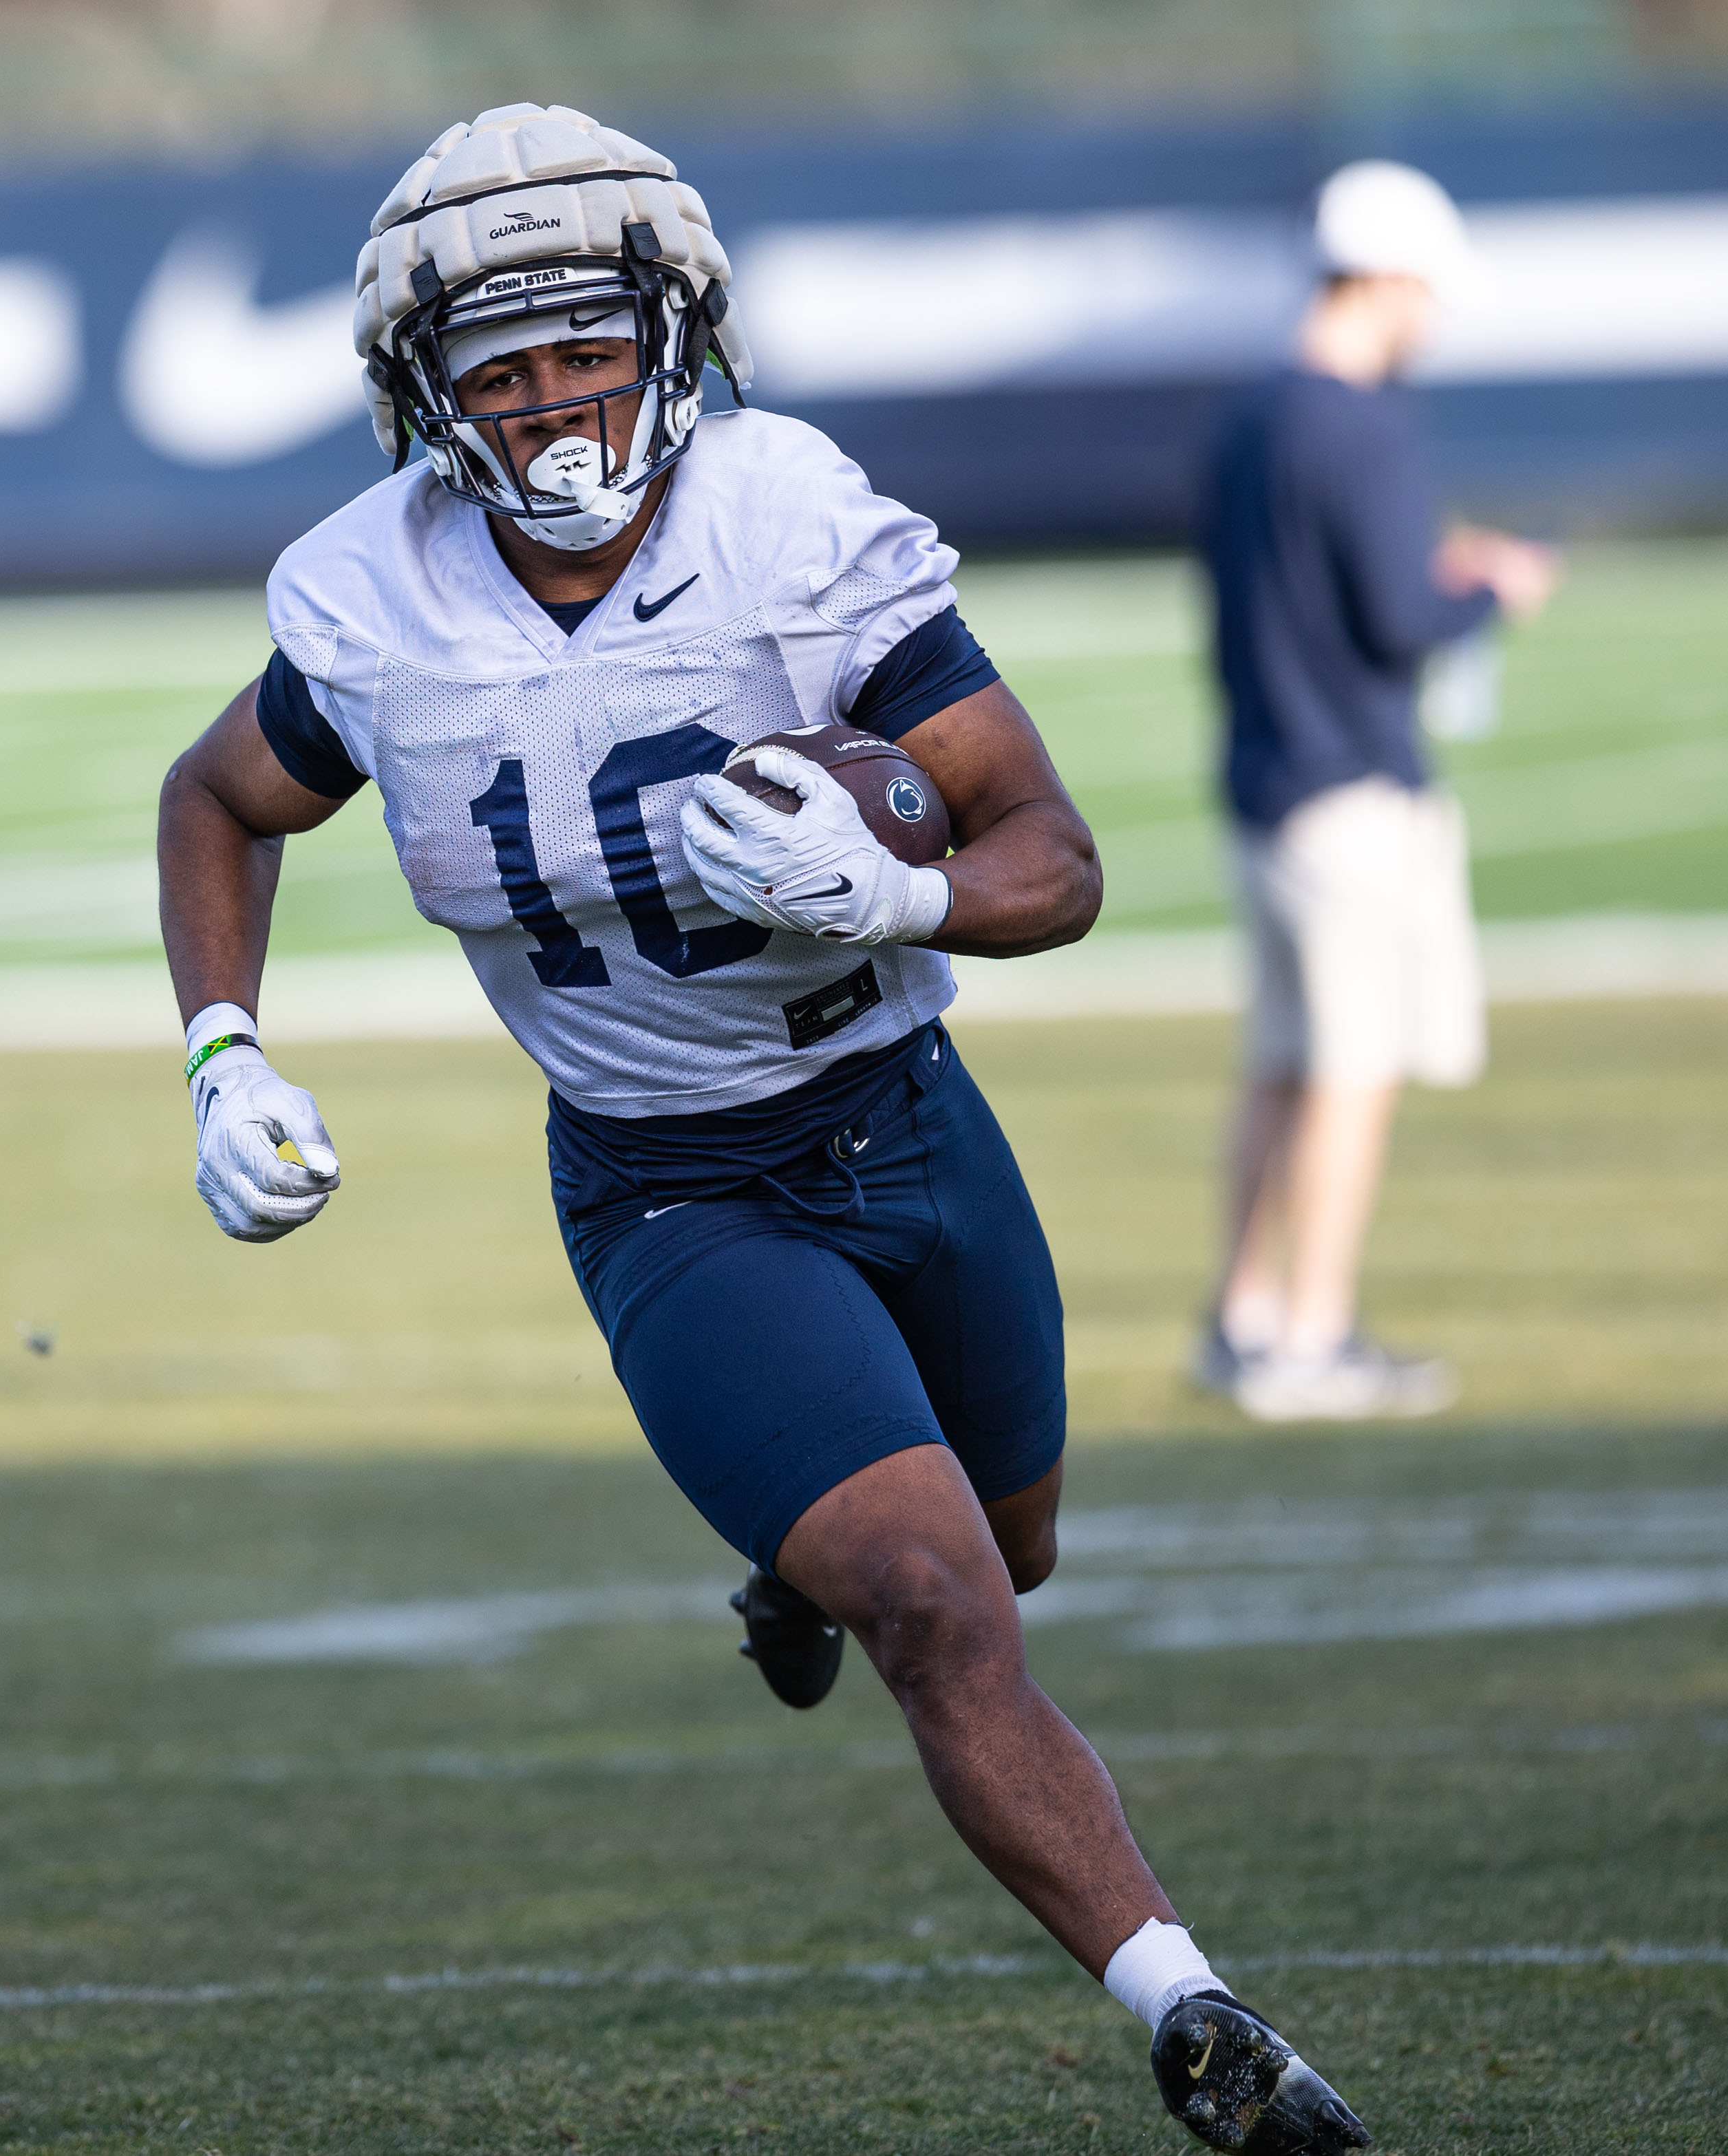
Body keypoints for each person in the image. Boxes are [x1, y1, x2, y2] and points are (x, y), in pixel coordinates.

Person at [159, 101, 1372, 2156]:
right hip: (667, 1180)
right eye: (501, 362)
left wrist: (901, 892)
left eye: (586, 347)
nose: (553, 401)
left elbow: (1051, 856)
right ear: (420, 391)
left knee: (1010, 1548)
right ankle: (1193, 2013)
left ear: (674, 335)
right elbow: (217, 798)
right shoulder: (370, 598)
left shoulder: (786, 520)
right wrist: (220, 1050)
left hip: (902, 1113)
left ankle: (789, 1562)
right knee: (937, 1601)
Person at [1194, 160, 1561, 1426]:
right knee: (1352, 1070)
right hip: (1347, 785)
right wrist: (1492, 588)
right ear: (1389, 279)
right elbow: (1404, 617)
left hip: (1263, 779)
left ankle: (1243, 1314)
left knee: (1283, 1063)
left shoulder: (1252, 419)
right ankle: (1311, 1335)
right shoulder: (1359, 424)